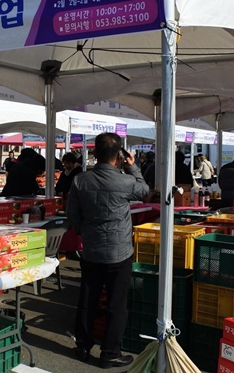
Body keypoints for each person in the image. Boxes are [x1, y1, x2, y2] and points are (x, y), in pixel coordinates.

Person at [67, 133, 149, 368]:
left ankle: (83, 346)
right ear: (119, 156)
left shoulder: (81, 181)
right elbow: (144, 190)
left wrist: (84, 230)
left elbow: (72, 215)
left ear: (94, 154)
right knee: (116, 304)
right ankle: (110, 352)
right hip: (119, 251)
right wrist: (134, 168)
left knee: (87, 299)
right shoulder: (125, 182)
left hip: (91, 250)